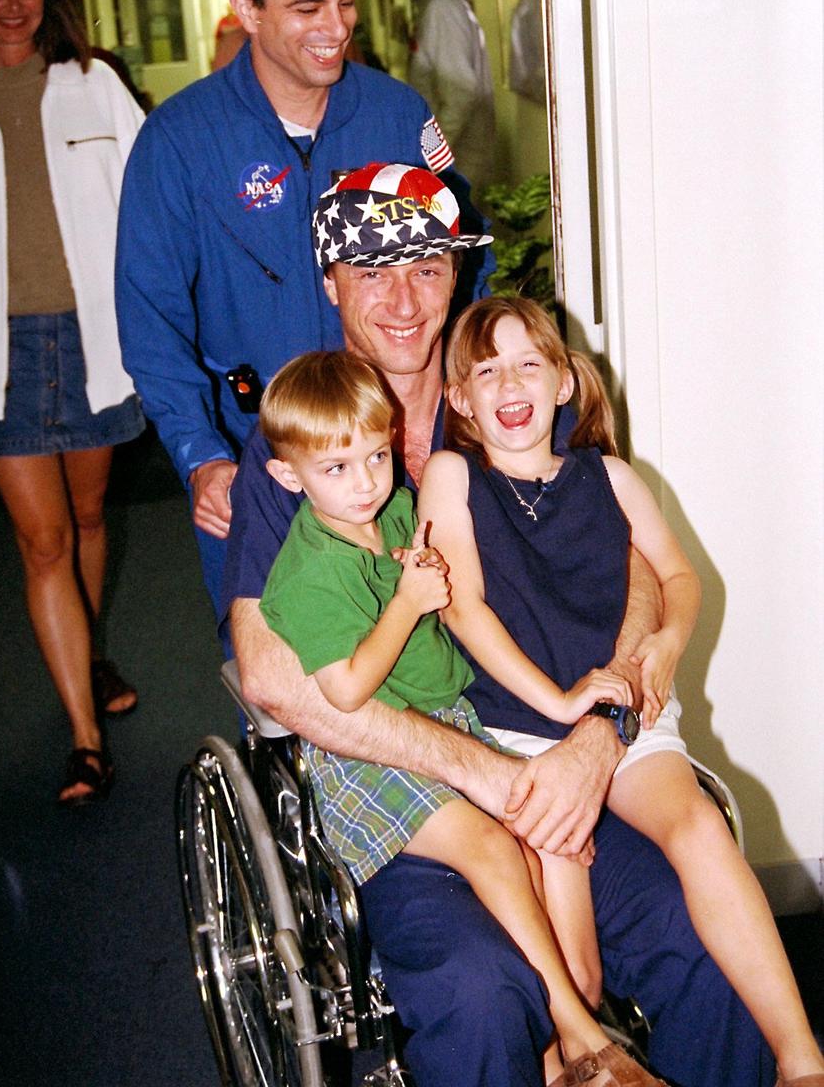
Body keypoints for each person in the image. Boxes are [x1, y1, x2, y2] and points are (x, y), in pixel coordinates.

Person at [224, 163, 774, 1087]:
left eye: (427, 268)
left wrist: (599, 733)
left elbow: (631, 565)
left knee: (699, 933)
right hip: (422, 785)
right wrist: (484, 773)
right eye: (372, 274)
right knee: (483, 995)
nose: (403, 300)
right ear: (332, 286)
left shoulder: (498, 402)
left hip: (555, 752)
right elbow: (275, 679)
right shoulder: (304, 436)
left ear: (456, 276)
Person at [418, 294, 824, 1087]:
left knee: (698, 827)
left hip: (621, 715)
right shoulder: (451, 476)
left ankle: (800, 1057)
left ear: (564, 382)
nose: (510, 384)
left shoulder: (607, 475)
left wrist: (667, 642)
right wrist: (558, 703)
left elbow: (677, 575)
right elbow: (461, 605)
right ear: (460, 400)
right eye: (486, 370)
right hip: (514, 731)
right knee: (578, 972)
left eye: (529, 364)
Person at [258, 346, 661, 1087]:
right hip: (369, 757)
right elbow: (345, 692)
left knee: (550, 838)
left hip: (453, 718)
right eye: (335, 469)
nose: (365, 483)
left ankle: (559, 1043)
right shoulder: (312, 569)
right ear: (289, 476)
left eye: (376, 457)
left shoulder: (400, 511)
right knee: (492, 845)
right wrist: (408, 605)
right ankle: (581, 1035)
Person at [115, 0, 491, 614]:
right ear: (246, 8)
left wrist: (462, 394)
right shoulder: (179, 142)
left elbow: (465, 259)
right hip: (263, 455)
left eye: (345, 2)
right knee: (281, 669)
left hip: (393, 452)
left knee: (429, 643)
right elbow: (150, 319)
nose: (336, 29)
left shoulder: (395, 114)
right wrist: (201, 456)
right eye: (307, 8)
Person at [0, 0, 145, 804]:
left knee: (84, 518)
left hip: (93, 338)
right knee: (40, 543)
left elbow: (148, 198)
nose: (11, 3)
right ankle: (84, 736)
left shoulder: (93, 85)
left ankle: (90, 641)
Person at [389, 0, 495, 188]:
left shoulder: (441, 9)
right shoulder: (433, 6)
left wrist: (427, 162)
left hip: (456, 169)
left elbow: (460, 94)